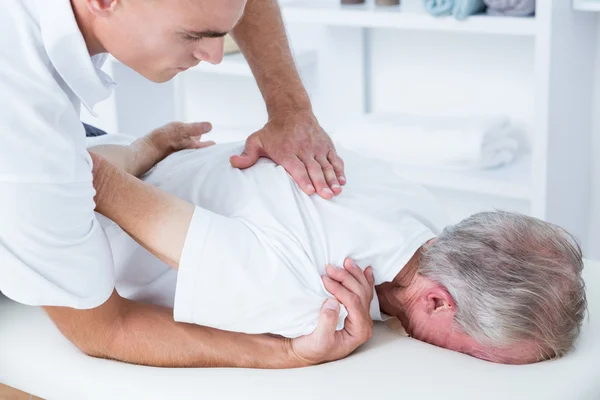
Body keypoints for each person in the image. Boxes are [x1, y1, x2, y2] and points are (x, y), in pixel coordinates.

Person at [0, 0, 362, 369]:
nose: (216, 55)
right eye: (193, 35)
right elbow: (105, 328)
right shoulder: (27, 132)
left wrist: (290, 109)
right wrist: (285, 351)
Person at [79, 127, 587, 366]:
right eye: (484, 357)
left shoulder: (421, 209)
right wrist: (290, 352)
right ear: (437, 301)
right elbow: (87, 181)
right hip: (61, 189)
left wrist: (144, 148)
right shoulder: (309, 295)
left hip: (118, 147)